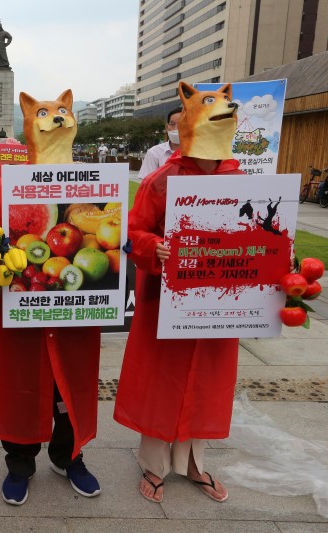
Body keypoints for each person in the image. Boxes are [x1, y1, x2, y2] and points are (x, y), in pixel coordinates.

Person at [114, 82, 242, 505]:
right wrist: (155, 248)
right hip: (166, 302)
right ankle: (154, 462)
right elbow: (132, 233)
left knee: (208, 381)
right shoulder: (162, 179)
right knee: (161, 378)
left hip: (219, 303)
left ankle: (193, 461)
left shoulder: (241, 179)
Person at [0, 88, 101, 506]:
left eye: (63, 112)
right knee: (22, 388)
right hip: (25, 304)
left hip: (75, 309)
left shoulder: (93, 183)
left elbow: (119, 226)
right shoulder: (6, 187)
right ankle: (19, 463)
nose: (56, 118)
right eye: (45, 113)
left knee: (70, 389)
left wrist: (124, 246)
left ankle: (70, 456)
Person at [137, 106, 182, 180]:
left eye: (181, 124)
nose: (176, 128)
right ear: (167, 127)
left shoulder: (199, 154)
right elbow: (146, 183)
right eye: (172, 124)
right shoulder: (154, 153)